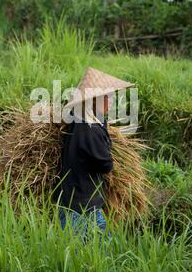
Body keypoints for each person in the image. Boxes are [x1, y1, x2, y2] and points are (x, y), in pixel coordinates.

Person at [54, 67, 134, 241]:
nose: (112, 101)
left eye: (112, 96)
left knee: (90, 250)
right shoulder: (90, 131)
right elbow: (106, 165)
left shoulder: (80, 116)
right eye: (107, 97)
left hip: (72, 197)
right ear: (93, 100)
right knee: (87, 248)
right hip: (82, 204)